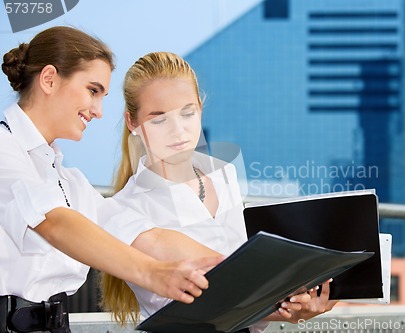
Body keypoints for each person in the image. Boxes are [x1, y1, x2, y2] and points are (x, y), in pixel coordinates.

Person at [0, 27, 223, 333]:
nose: (99, 111)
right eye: (93, 90)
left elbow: (146, 236)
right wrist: (153, 273)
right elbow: (54, 222)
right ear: (49, 79)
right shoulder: (4, 150)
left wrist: (241, 271)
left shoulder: (68, 181)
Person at [99, 51, 338, 331]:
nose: (178, 131)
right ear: (133, 123)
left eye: (187, 113)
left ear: (200, 108)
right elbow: (206, 306)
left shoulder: (224, 175)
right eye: (159, 118)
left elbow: (246, 293)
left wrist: (295, 308)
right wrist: (282, 301)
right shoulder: (126, 208)